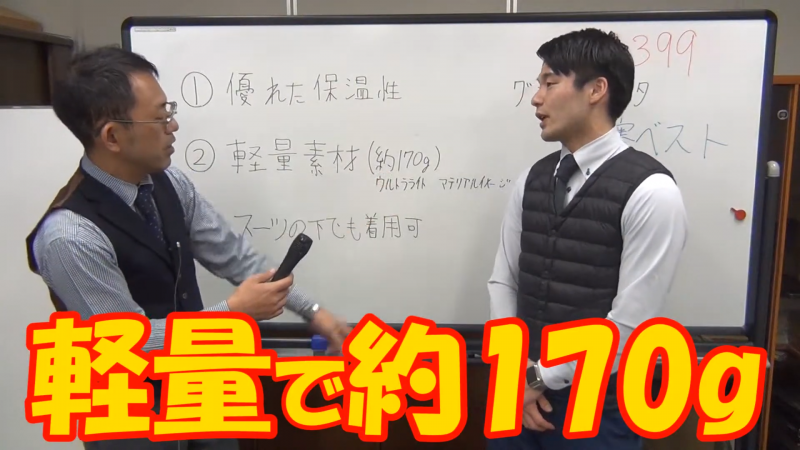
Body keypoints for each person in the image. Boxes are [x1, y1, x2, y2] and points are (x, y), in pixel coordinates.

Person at [24, 46, 351, 450]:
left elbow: (237, 258)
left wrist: (314, 311)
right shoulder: (70, 236)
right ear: (112, 136)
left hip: (202, 394)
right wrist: (233, 313)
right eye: (160, 117)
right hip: (132, 420)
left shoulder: (169, 184)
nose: (173, 125)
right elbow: (127, 343)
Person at [486, 28, 688, 449]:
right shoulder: (532, 179)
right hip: (517, 392)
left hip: (598, 409)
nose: (536, 98)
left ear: (596, 90)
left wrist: (538, 378)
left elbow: (630, 324)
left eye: (549, 83)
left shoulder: (652, 191)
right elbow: (504, 280)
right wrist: (515, 372)